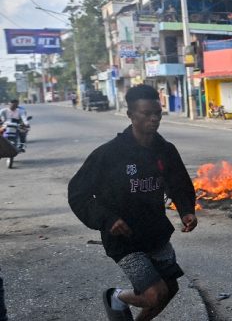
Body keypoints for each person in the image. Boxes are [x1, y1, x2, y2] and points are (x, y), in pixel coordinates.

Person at [68, 84, 197, 321]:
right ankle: (117, 296)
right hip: (124, 238)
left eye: (157, 113)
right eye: (146, 113)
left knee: (170, 290)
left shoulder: (166, 150)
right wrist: (107, 219)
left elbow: (179, 184)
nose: (154, 119)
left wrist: (186, 211)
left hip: (156, 233)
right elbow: (78, 193)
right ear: (130, 115)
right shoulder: (109, 154)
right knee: (154, 294)